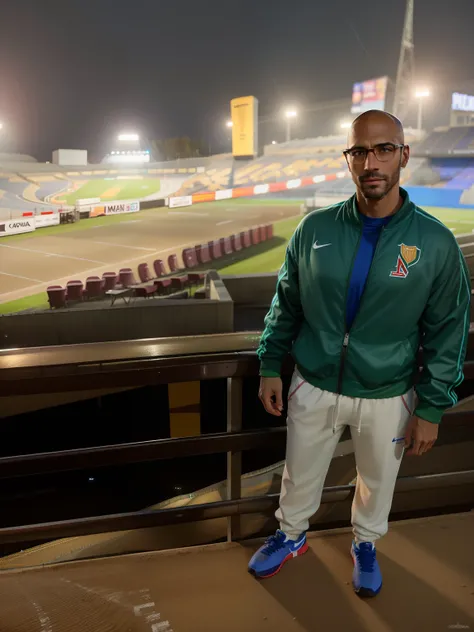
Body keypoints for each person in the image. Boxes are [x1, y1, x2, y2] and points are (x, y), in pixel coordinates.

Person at [248, 110, 471, 597]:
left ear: (404, 156)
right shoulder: (313, 229)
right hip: (314, 381)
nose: (371, 162)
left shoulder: (434, 242)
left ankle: (365, 543)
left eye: (383, 149)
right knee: (299, 471)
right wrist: (270, 363)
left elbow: (448, 332)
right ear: (349, 160)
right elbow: (286, 303)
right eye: (360, 151)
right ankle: (291, 535)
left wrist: (431, 407)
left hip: (389, 390)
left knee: (377, 481)